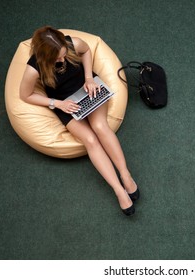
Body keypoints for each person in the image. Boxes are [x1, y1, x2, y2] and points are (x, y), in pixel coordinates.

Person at [19, 26, 139, 216]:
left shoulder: (73, 43)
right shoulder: (34, 68)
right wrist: (57, 104)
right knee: (90, 139)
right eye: (57, 58)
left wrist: (89, 77)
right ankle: (118, 189)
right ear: (44, 56)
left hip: (87, 88)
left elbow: (87, 51)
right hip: (64, 102)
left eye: (64, 55)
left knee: (100, 126)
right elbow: (25, 96)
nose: (62, 60)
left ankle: (126, 175)